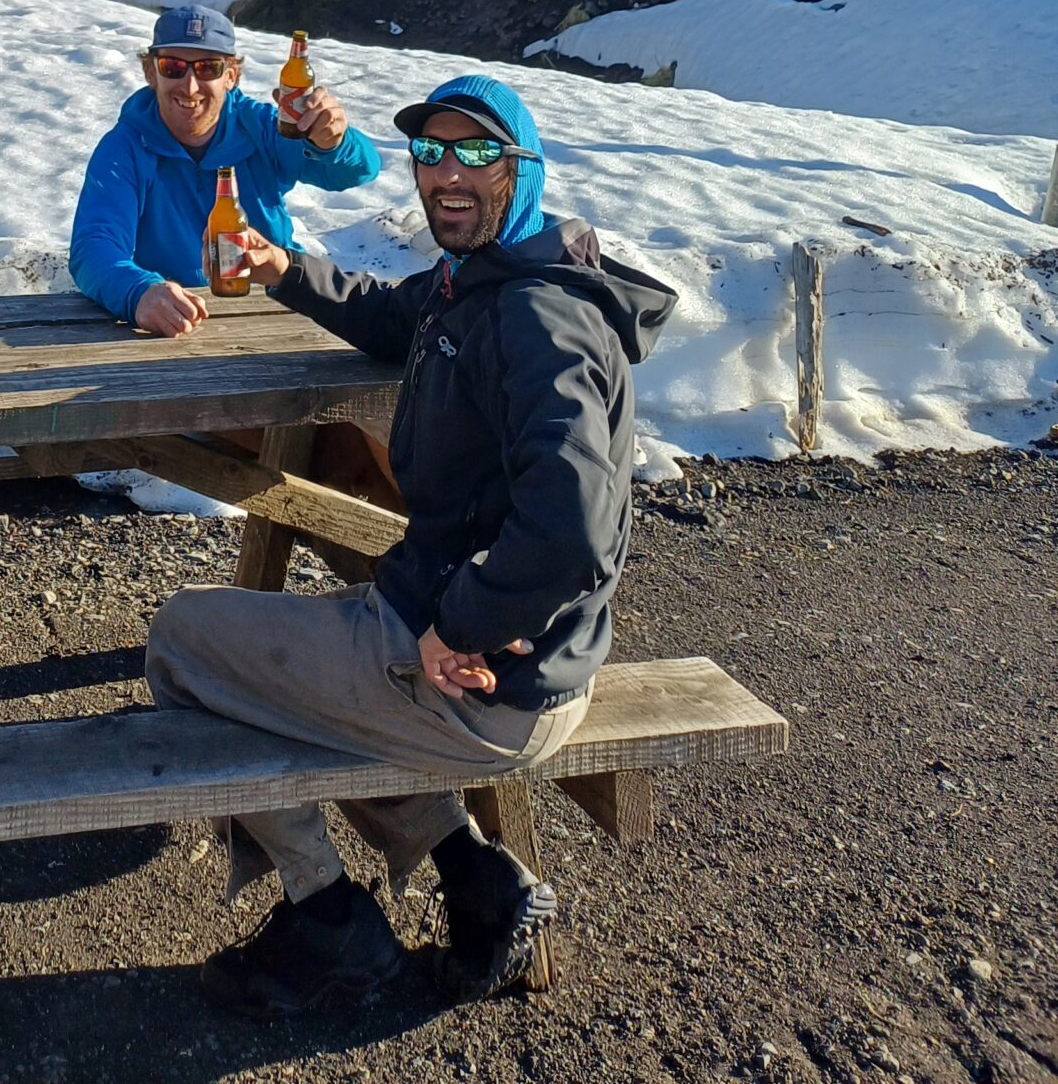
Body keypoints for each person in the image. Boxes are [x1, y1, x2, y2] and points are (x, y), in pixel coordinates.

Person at [144, 71, 676, 1020]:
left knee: (188, 645)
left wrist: (464, 625)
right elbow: (395, 314)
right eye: (431, 152)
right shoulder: (481, 279)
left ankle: (327, 917)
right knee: (277, 667)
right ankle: (478, 878)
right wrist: (283, 267)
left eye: (476, 153)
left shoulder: (538, 319)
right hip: (496, 648)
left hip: (489, 683)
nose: (446, 173)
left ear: (524, 169)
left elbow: (575, 526)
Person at [70, 4, 381, 333]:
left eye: (208, 68)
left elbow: (358, 171)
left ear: (231, 76)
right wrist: (138, 292)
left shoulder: (263, 127)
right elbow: (94, 245)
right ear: (151, 72)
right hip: (182, 318)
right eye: (173, 66)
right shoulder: (125, 148)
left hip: (279, 308)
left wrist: (334, 141)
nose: (190, 86)